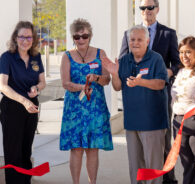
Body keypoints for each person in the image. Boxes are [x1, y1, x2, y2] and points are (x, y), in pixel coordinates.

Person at [119, 0, 180, 184]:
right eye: (143, 8)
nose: (146, 12)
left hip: (159, 96)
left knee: (162, 142)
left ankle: (168, 179)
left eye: (150, 8)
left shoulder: (168, 33)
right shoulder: (129, 34)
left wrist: (165, 73)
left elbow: (177, 63)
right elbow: (122, 62)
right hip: (136, 98)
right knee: (139, 152)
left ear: (157, 9)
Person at [102, 25, 168, 184]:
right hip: (131, 123)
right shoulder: (124, 60)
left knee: (153, 167)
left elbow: (160, 83)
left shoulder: (156, 58)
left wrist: (141, 82)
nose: (135, 43)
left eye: (139, 39)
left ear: (147, 40)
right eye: (132, 39)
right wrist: (114, 74)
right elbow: (117, 87)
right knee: (135, 167)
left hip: (153, 123)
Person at [59, 18, 113, 184]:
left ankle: (92, 182)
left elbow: (107, 79)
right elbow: (65, 83)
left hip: (95, 108)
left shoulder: (100, 53)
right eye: (77, 36)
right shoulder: (67, 56)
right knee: (76, 149)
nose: (81, 39)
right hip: (74, 110)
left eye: (85, 36)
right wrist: (81, 86)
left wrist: (96, 78)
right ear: (72, 37)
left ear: (90, 36)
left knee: (92, 148)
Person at [0, 21, 46, 184]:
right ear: (15, 38)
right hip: (12, 108)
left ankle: (25, 181)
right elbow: (3, 86)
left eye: (29, 37)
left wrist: (36, 88)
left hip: (31, 108)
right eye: (21, 36)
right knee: (13, 152)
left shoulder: (36, 57)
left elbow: (42, 82)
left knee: (26, 149)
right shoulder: (7, 57)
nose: (25, 40)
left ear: (33, 39)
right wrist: (24, 101)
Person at [171, 36, 195, 184]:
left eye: (188, 52)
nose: (184, 56)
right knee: (187, 166)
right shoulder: (181, 72)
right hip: (179, 123)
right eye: (181, 52)